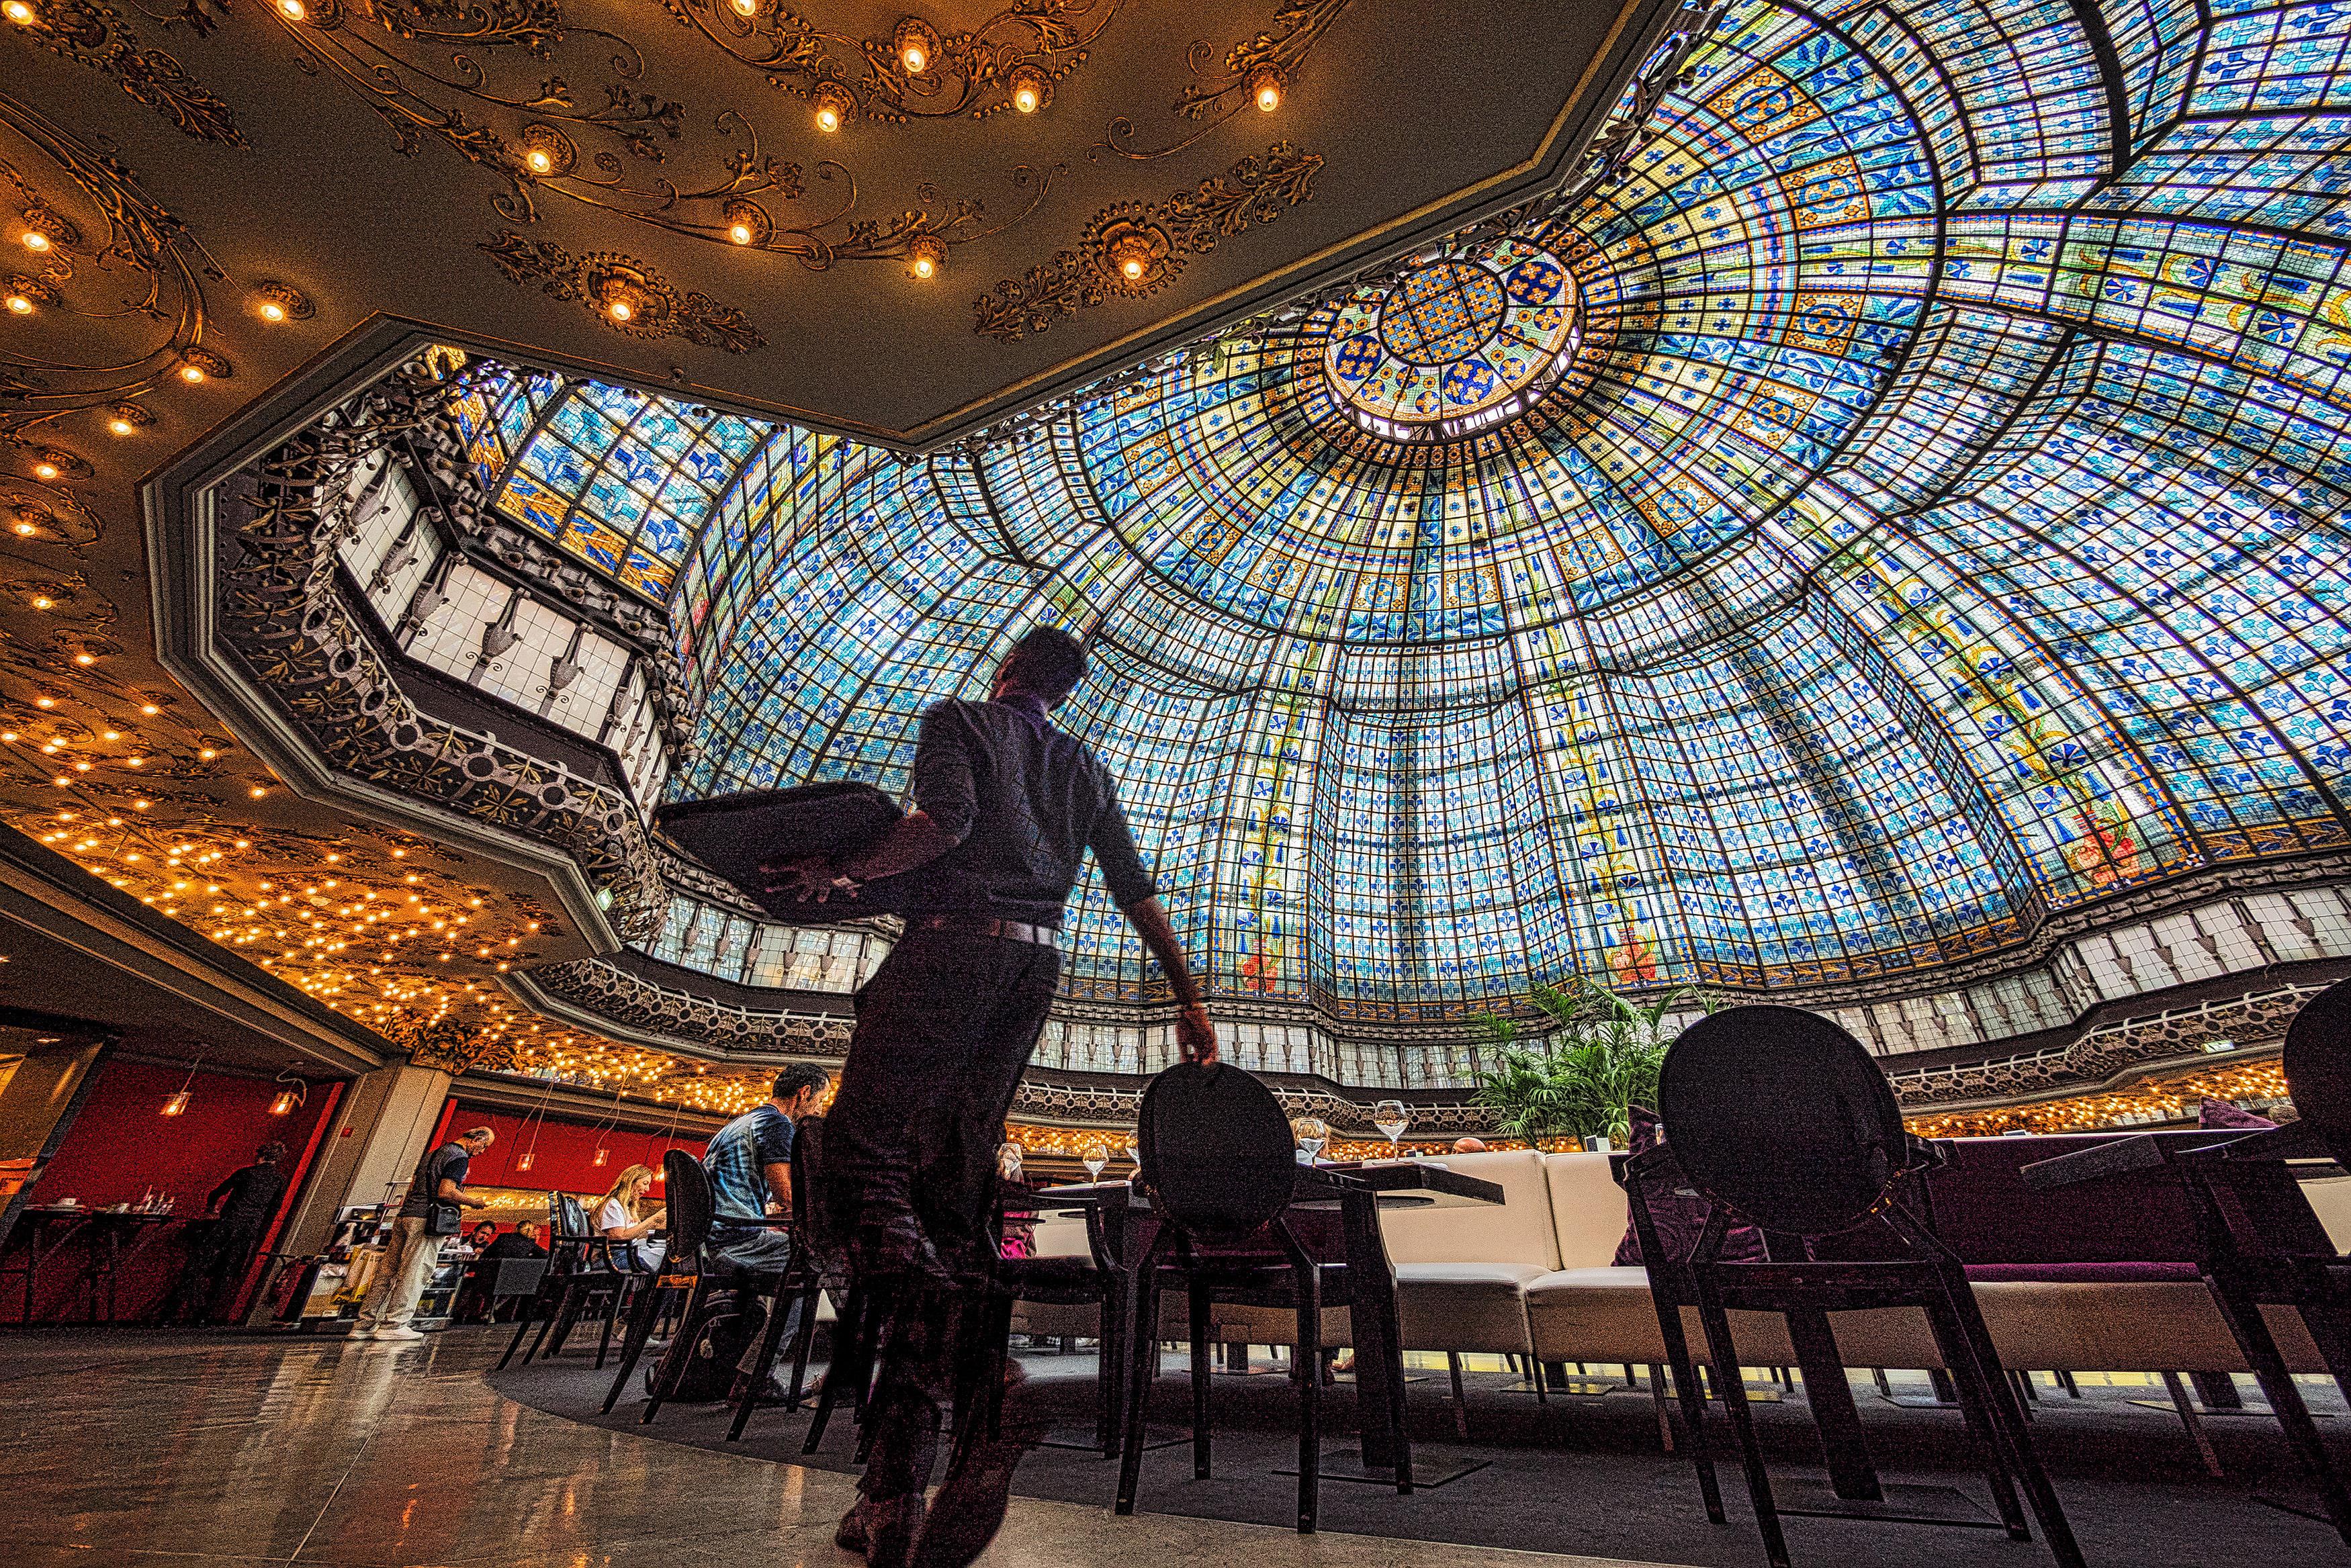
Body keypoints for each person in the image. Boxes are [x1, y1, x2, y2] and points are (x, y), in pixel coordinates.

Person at [765, 626, 1214, 1568]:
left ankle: (980, 1370)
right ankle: (890, 1494)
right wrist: (1190, 997)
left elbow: (944, 824)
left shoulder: (959, 720)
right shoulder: (1084, 766)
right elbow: (1134, 890)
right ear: (1065, 690)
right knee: (949, 1206)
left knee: (855, 1172)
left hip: (948, 949)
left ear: (1008, 668)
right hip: (1031, 972)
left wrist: (838, 870)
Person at [703, 1063, 830, 1404]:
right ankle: (758, 1376)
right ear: (804, 1093)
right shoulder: (776, 1124)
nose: (819, 1110)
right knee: (824, 1262)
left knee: (807, 1268)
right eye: (820, 1100)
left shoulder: (737, 1124)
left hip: (717, 1241)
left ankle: (754, 1376)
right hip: (739, 1241)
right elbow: (788, 1196)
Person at [353, 1125, 494, 1342]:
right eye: (484, 1146)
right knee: (415, 1271)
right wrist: (473, 1202)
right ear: (475, 1139)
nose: (482, 1152)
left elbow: (413, 1186)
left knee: (388, 1271)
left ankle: (364, 1324)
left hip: (406, 1216)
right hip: (426, 1221)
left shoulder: (432, 1154)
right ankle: (395, 1324)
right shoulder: (459, 1158)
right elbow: (446, 1191)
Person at [161, 1140, 289, 1324]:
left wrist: (212, 1209)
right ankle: (205, 1316)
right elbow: (274, 1209)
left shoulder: (246, 1173)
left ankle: (170, 1313)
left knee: (196, 1266)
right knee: (226, 1273)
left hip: (227, 1224)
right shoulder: (279, 1180)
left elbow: (216, 1193)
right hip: (248, 1230)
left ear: (260, 1155)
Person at [594, 1163, 668, 1272]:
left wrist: (657, 1224)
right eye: (645, 1183)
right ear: (631, 1182)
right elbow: (619, 1237)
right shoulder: (613, 1204)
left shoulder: (628, 1208)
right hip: (612, 1257)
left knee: (666, 1256)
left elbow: (636, 1236)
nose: (647, 1189)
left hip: (626, 1252)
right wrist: (652, 1220)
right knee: (665, 1264)